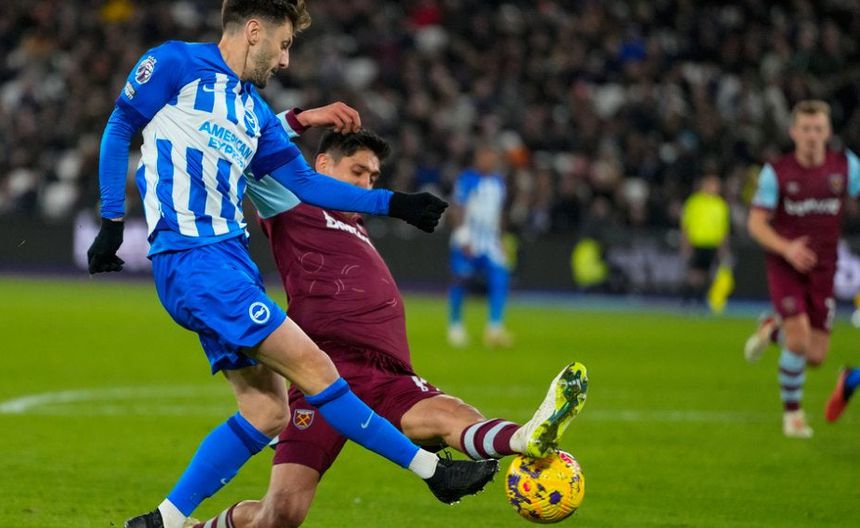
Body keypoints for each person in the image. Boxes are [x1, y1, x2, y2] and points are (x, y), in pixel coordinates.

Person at [86, 2, 496, 527]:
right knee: (317, 370)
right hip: (195, 260)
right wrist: (112, 220)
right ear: (254, 31)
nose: (285, 60)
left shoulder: (254, 112)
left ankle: (160, 522)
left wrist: (395, 203)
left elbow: (303, 183)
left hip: (230, 263)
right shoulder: (174, 63)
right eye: (283, 46)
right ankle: (433, 472)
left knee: (268, 412)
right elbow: (121, 124)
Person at [191, 128, 588, 528]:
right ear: (323, 165)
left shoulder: (354, 223)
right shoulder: (291, 201)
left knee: (447, 415)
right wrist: (299, 119)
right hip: (321, 371)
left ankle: (523, 437)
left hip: (385, 372)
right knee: (281, 515)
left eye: (373, 177)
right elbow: (243, 152)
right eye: (357, 172)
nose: (366, 184)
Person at [742, 100, 860, 438]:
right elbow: (756, 223)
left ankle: (771, 330)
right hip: (786, 265)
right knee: (798, 339)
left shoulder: (846, 166)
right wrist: (787, 248)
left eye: (818, 129)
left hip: (824, 267)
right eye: (806, 129)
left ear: (828, 131)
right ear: (793, 132)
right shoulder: (776, 173)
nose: (812, 136)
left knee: (816, 355)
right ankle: (793, 415)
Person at [447, 144, 512, 348]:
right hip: (469, 240)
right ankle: (455, 327)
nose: (489, 161)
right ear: (477, 158)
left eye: (492, 157)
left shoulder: (499, 183)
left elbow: (499, 213)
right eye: (485, 157)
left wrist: (501, 239)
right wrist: (463, 237)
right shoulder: (467, 179)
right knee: (461, 280)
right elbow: (457, 208)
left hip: (490, 242)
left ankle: (494, 328)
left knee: (500, 276)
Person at [679, 173, 730, 306]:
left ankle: (700, 299)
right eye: (712, 184)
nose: (714, 187)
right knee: (694, 273)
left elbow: (723, 229)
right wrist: (685, 242)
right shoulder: (694, 202)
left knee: (707, 273)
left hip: (712, 244)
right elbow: (685, 224)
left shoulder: (720, 205)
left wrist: (723, 247)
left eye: (716, 185)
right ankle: (688, 298)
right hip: (697, 242)